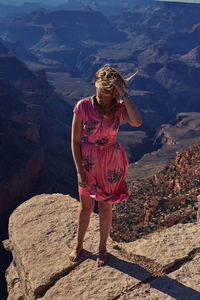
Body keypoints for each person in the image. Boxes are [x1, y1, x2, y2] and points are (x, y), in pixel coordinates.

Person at [69, 64, 142, 267]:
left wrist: (124, 95)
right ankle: (79, 245)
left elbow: (137, 122)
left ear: (114, 91)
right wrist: (79, 170)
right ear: (95, 85)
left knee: (105, 207)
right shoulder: (82, 106)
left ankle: (102, 249)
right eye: (101, 89)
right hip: (88, 163)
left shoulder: (119, 108)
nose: (103, 94)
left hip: (111, 164)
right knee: (85, 207)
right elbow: (75, 141)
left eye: (108, 91)